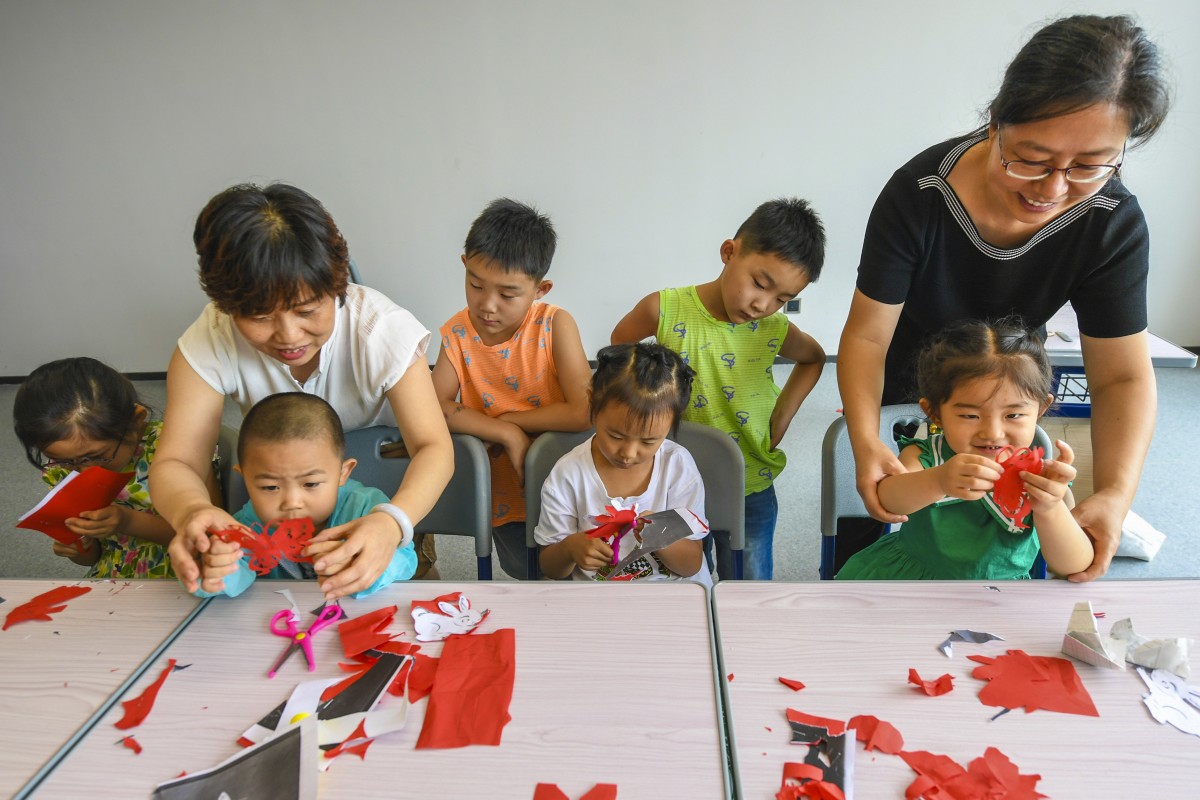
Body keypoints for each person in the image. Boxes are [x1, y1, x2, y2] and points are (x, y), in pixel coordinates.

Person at [837, 14, 1171, 581]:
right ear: (996, 121)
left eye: (1090, 166)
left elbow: (1122, 376)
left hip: (1010, 362)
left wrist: (1115, 493)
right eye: (1032, 158)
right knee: (879, 528)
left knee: (1011, 535)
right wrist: (866, 439)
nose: (1053, 189)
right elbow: (869, 334)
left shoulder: (1111, 220)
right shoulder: (920, 195)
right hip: (914, 373)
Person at [153, 183, 453, 600]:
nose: (289, 336)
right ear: (225, 305)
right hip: (285, 478)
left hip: (392, 488)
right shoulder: (209, 340)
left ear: (337, 286)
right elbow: (177, 460)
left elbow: (434, 446)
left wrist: (393, 522)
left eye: (308, 310)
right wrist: (193, 511)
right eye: (260, 316)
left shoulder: (382, 331)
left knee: (401, 583)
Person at [611, 198, 827, 579]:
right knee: (682, 580)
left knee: (748, 585)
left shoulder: (772, 328)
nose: (763, 304)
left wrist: (783, 416)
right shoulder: (664, 309)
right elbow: (620, 353)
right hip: (671, 483)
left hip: (750, 482)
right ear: (730, 252)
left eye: (782, 299)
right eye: (760, 284)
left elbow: (813, 358)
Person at [836, 319, 1093, 580]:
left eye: (1013, 414)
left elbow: (1073, 565)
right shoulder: (926, 455)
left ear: (1040, 409)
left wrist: (1049, 508)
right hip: (912, 584)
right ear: (934, 413)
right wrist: (939, 479)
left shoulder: (1043, 478)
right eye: (970, 416)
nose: (993, 432)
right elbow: (887, 500)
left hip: (999, 600)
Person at [431, 198, 591, 579]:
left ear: (541, 289)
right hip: (503, 490)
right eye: (475, 284)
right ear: (464, 265)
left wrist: (510, 419)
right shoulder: (457, 333)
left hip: (565, 484)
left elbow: (583, 410)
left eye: (507, 294)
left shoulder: (556, 325)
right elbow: (431, 406)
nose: (487, 305)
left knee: (579, 573)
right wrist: (506, 433)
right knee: (524, 571)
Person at [195, 393, 416, 597]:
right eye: (270, 487)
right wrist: (215, 569)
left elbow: (407, 560)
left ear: (343, 473)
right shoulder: (249, 523)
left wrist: (366, 564)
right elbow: (236, 577)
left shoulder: (365, 508)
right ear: (245, 478)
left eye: (310, 483)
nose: (292, 502)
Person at [13, 357, 210, 578]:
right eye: (67, 461)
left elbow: (208, 537)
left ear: (136, 421)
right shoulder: (59, 470)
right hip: (113, 576)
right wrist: (78, 549)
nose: (84, 472)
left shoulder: (176, 448)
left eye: (97, 457)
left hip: (186, 570)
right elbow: (94, 558)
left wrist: (128, 521)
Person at [536, 343, 711, 585]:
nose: (628, 453)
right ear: (593, 404)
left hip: (672, 596)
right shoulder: (569, 473)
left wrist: (662, 537)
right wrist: (569, 549)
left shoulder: (677, 466)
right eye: (616, 436)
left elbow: (691, 564)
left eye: (649, 441)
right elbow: (550, 568)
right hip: (598, 601)